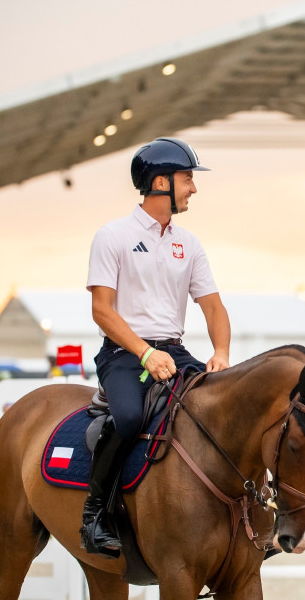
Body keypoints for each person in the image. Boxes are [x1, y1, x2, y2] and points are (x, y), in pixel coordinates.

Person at [81, 137, 231, 557]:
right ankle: (95, 515)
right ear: (160, 182)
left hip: (177, 351)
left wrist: (220, 353)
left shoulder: (190, 244)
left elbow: (214, 308)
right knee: (128, 417)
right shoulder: (112, 236)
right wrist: (145, 353)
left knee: (220, 411)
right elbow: (102, 311)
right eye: (187, 179)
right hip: (124, 354)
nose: (193, 189)